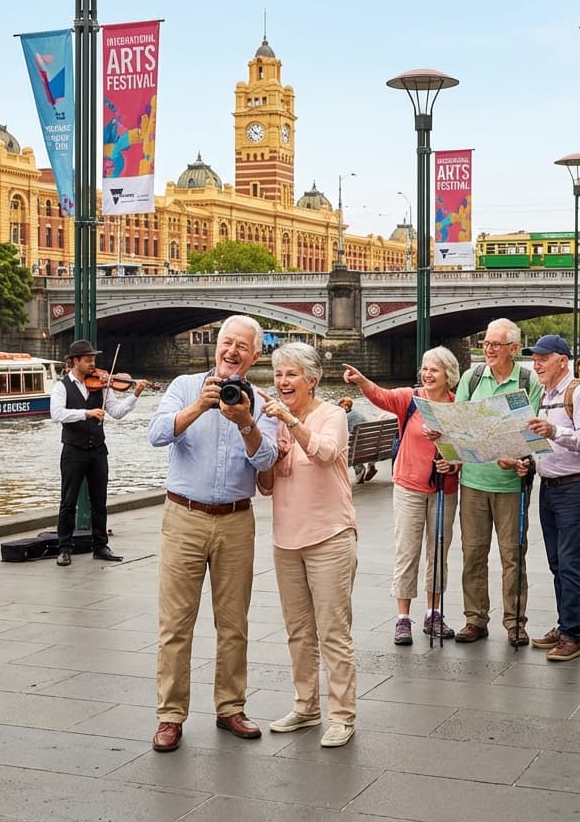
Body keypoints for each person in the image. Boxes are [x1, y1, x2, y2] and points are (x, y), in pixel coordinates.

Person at [146, 315, 279, 753]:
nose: (232, 351)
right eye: (227, 342)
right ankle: (170, 715)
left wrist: (245, 422)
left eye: (242, 346)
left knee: (233, 623)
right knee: (175, 624)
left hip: (236, 519)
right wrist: (198, 408)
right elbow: (156, 434)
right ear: (216, 345)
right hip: (184, 515)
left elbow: (267, 461)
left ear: (255, 355)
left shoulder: (260, 401)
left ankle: (230, 707)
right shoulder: (185, 387)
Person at [256, 342, 358, 748]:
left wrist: (291, 423)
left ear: (311, 380)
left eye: (291, 374)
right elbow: (265, 486)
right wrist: (260, 442)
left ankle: (342, 716)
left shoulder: (332, 415)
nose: (282, 382)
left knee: (333, 631)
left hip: (329, 536)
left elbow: (326, 453)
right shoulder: (273, 422)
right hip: (286, 540)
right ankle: (306, 707)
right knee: (298, 631)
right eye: (278, 374)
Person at [343, 348, 462, 644]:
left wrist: (454, 463)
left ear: (448, 374)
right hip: (409, 486)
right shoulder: (410, 398)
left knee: (438, 552)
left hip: (444, 488)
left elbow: (466, 447)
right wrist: (361, 381)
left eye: (434, 369)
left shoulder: (457, 406)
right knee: (407, 551)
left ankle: (434, 613)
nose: (427, 374)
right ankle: (403, 618)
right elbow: (380, 396)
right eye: (425, 368)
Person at [443, 318, 542, 646]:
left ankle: (515, 622)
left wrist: (517, 455)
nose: (488, 349)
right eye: (485, 343)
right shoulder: (471, 379)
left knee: (513, 555)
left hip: (511, 484)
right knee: (473, 553)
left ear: (513, 348)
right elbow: (458, 427)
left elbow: (532, 430)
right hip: (474, 481)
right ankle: (475, 619)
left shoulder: (528, 381)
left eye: (495, 344)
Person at [519, 334, 580, 661]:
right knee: (557, 562)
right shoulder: (544, 395)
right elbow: (543, 444)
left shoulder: (579, 393)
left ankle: (572, 636)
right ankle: (564, 624)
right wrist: (527, 462)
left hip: (575, 488)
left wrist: (554, 431)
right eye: (534, 358)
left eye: (543, 358)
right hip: (549, 486)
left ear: (562, 361)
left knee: (570, 562)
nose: (536, 363)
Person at [50, 339, 149, 567]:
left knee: (99, 500)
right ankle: (64, 548)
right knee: (68, 501)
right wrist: (86, 413)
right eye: (88, 360)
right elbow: (57, 414)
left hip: (97, 450)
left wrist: (135, 395)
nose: (93, 364)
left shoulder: (103, 384)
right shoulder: (62, 386)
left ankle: (100, 546)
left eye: (93, 359)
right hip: (73, 450)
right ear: (75, 361)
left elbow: (117, 412)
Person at [338, 397, 376, 483]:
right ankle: (371, 464)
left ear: (344, 407)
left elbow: (340, 432)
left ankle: (359, 469)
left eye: (340, 406)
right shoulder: (358, 414)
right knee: (357, 443)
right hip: (371, 446)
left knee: (351, 447)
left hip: (358, 447)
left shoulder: (345, 417)